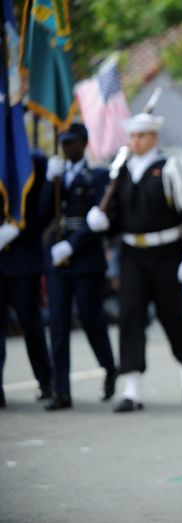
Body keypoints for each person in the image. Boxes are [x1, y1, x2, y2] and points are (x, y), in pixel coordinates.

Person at [86, 113, 182, 413]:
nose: (134, 142)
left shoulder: (170, 168)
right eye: (132, 136)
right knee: (130, 316)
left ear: (153, 137)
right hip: (132, 255)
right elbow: (118, 216)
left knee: (173, 317)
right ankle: (132, 387)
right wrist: (104, 222)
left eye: (140, 136)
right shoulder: (122, 172)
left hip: (166, 253)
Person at [40, 123, 117, 410]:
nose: (66, 147)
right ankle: (61, 391)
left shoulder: (97, 176)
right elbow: (43, 214)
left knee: (90, 319)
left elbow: (98, 219)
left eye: (71, 142)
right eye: (63, 142)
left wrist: (72, 245)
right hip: (58, 260)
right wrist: (50, 182)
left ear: (83, 143)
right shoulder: (58, 177)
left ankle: (109, 367)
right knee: (57, 323)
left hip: (84, 258)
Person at [0, 152, 52, 408]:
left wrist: (17, 232)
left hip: (23, 258)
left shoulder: (32, 158)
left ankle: (46, 381)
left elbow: (43, 211)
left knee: (30, 324)